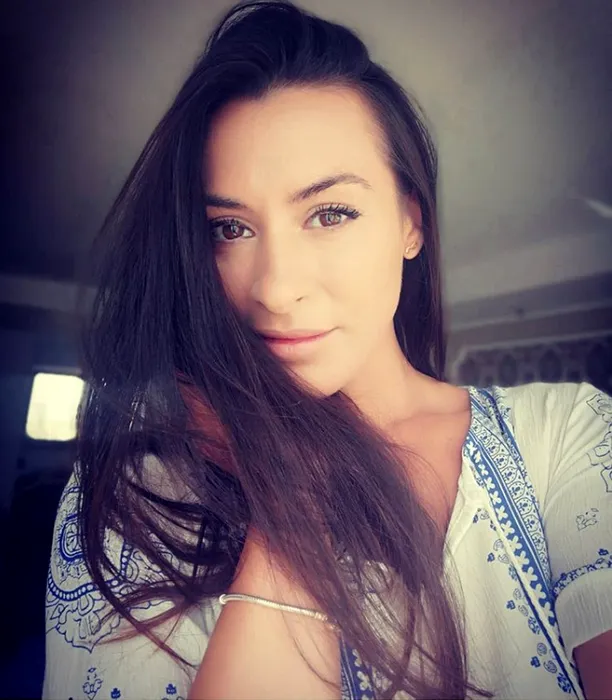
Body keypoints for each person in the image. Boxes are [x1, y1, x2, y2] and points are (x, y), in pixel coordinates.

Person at [43, 1, 612, 698]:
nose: (275, 289)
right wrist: (291, 504)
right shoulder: (136, 499)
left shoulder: (564, 434)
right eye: (228, 228)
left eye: (330, 213)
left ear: (410, 224)